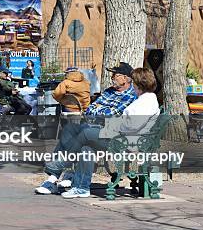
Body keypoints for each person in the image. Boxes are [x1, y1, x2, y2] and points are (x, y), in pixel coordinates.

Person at [35, 62, 138, 194]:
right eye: (112, 74)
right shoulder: (108, 92)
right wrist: (101, 111)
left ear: (126, 78)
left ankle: (61, 170)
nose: (112, 77)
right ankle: (55, 179)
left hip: (109, 135)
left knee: (84, 135)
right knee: (70, 129)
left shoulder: (131, 96)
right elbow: (90, 109)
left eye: (115, 75)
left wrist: (101, 110)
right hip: (92, 127)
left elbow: (112, 114)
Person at [61, 67, 160, 198]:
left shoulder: (145, 103)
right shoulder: (146, 100)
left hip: (126, 143)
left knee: (85, 133)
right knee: (86, 147)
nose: (133, 85)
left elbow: (131, 126)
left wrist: (112, 126)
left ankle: (64, 166)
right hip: (124, 139)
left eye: (134, 83)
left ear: (139, 84)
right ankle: (81, 187)